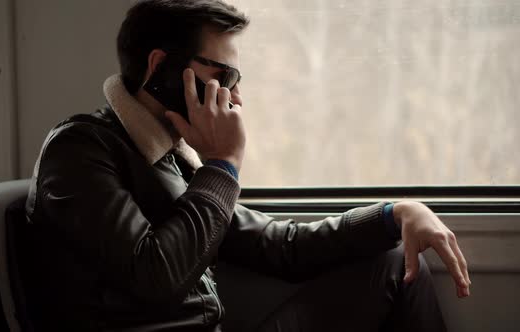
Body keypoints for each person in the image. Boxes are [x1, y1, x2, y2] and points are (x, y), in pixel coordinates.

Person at [25, 0, 471, 331]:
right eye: (224, 76)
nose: (235, 98)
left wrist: (395, 213)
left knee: (393, 258)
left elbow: (281, 247)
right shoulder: (80, 151)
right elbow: (155, 276)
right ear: (160, 67)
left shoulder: (168, 159)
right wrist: (222, 165)